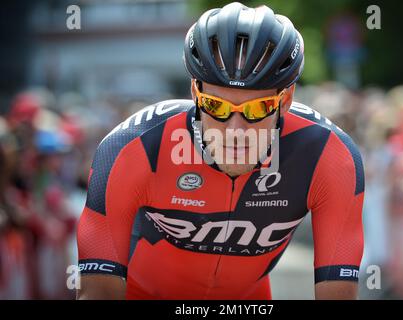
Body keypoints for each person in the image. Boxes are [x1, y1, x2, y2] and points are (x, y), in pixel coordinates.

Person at [77, 2, 365, 300]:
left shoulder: (328, 155)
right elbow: (97, 294)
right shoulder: (135, 146)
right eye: (216, 107)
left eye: (257, 109)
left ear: (286, 99)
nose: (235, 130)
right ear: (194, 92)